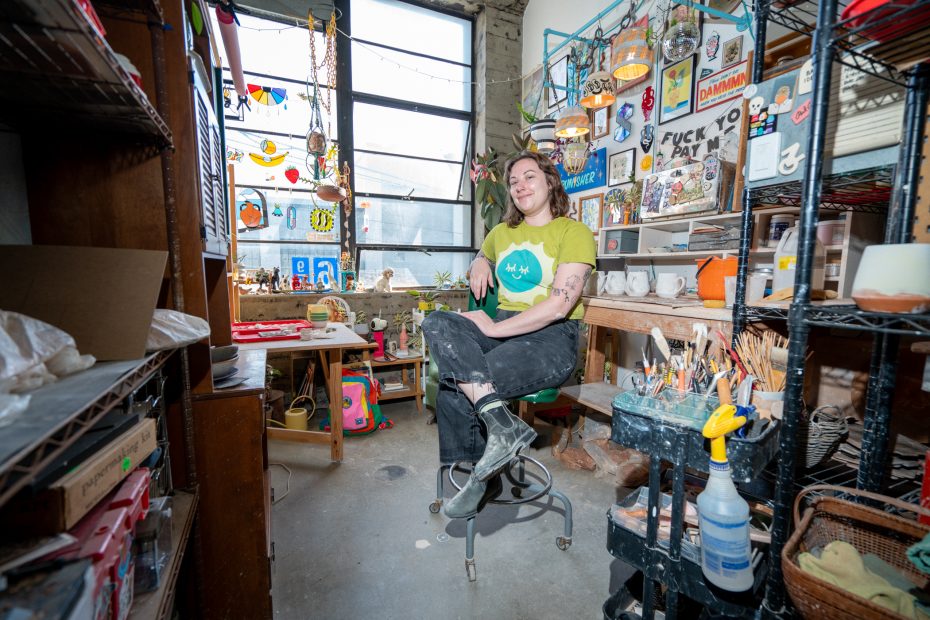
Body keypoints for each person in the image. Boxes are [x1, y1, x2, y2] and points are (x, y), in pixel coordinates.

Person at [421, 150, 596, 519]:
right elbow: (483, 255)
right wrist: (479, 261)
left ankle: (482, 477)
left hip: (550, 336)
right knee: (437, 321)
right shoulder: (500, 233)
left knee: (456, 385)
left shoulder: (573, 232)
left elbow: (559, 305)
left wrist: (494, 327)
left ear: (550, 182)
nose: (520, 186)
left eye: (529, 177)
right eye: (514, 181)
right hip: (503, 326)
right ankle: (499, 431)